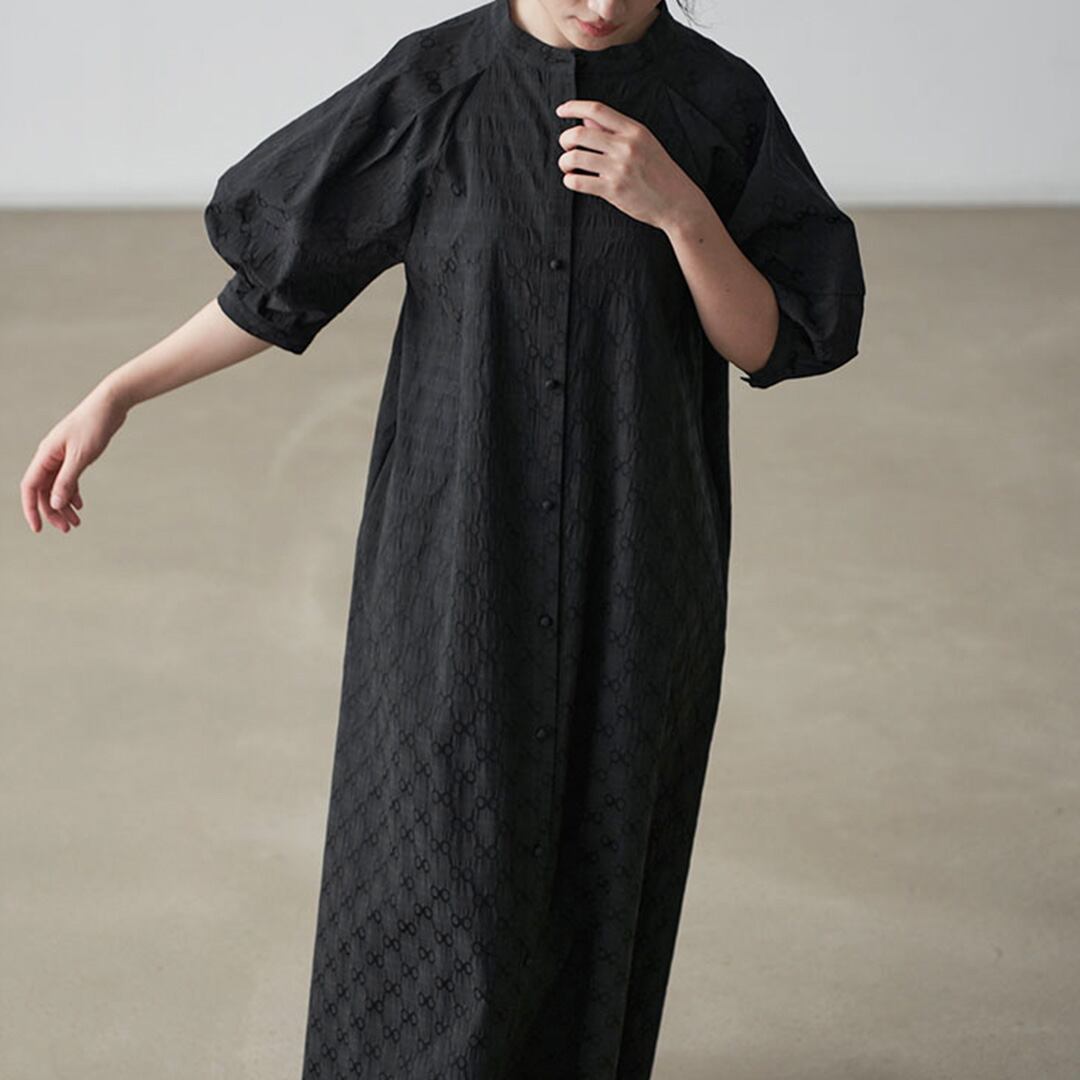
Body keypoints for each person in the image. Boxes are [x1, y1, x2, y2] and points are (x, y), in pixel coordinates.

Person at [20, 0, 866, 1076]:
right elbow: (281, 284)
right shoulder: (435, 86)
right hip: (457, 546)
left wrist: (682, 214)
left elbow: (774, 340)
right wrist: (120, 391)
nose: (602, 7)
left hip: (640, 553)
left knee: (604, 869)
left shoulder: (717, 102)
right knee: (429, 858)